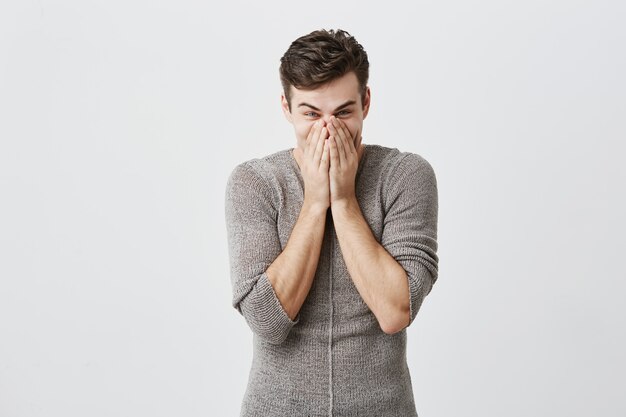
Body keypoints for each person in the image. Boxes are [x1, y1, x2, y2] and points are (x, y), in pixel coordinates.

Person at [224, 28, 439, 417]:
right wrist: (314, 203)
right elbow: (266, 321)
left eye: (343, 113)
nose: (328, 131)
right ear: (286, 108)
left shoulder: (406, 175)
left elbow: (395, 312)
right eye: (311, 113)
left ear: (366, 103)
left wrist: (343, 200)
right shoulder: (255, 182)